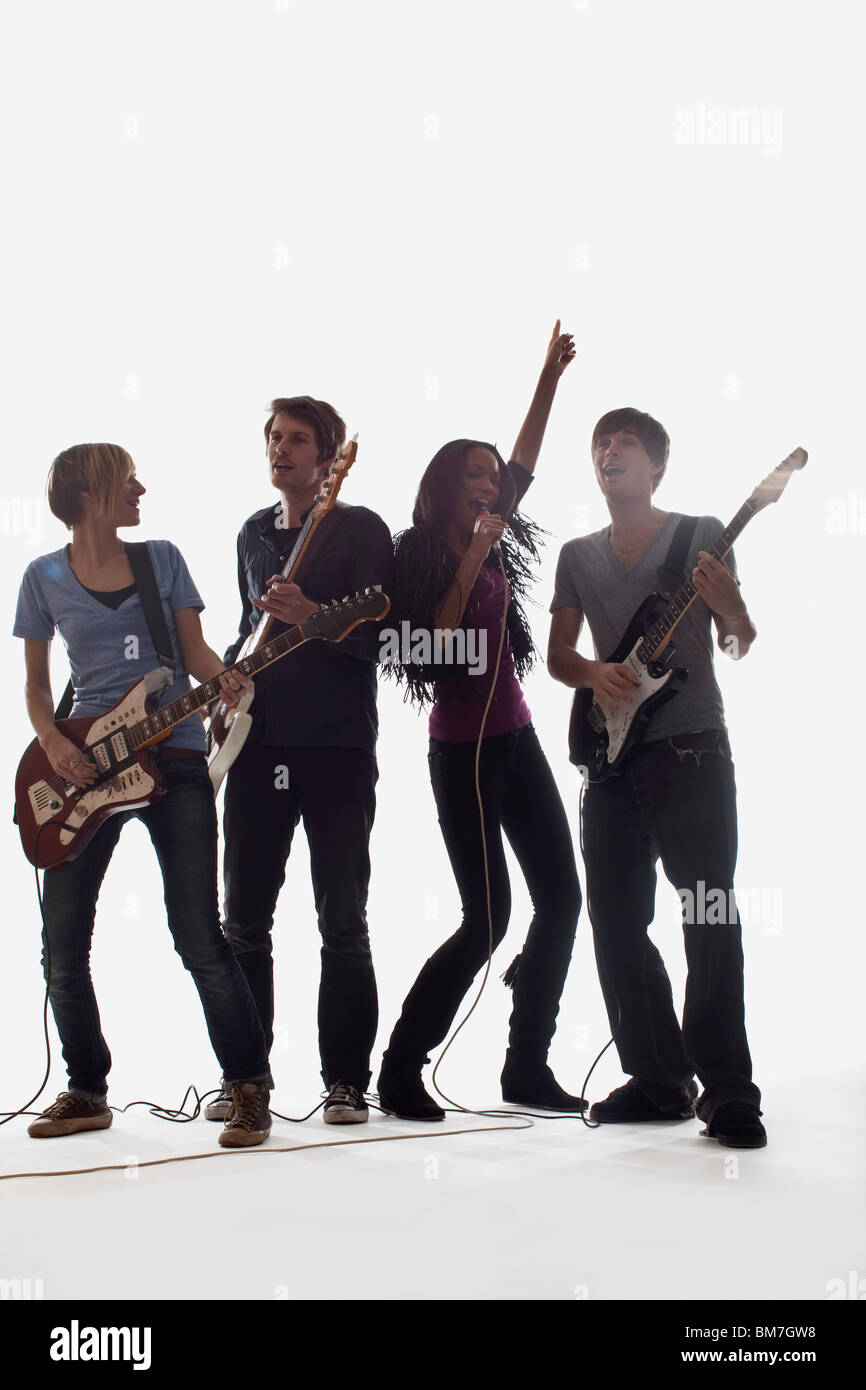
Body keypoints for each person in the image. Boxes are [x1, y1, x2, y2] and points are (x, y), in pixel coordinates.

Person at [14, 443, 273, 1148]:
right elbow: (37, 687)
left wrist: (227, 677)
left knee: (197, 932)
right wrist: (56, 744)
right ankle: (86, 1089)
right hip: (80, 771)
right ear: (92, 494)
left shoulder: (161, 559)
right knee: (61, 943)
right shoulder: (40, 577)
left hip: (175, 755)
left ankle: (249, 1086)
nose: (140, 488)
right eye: (127, 479)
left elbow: (191, 653)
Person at [376, 323, 584, 1121]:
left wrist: (547, 376)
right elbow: (431, 642)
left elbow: (525, 457)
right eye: (474, 475)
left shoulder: (498, 523)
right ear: (442, 485)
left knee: (561, 899)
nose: (490, 486)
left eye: (492, 479)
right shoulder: (419, 549)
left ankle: (525, 1065)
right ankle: (400, 1068)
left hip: (518, 738)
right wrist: (471, 556)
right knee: (487, 918)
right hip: (460, 752)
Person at [547, 407, 766, 1148]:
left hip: (691, 748)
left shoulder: (702, 533)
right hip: (610, 757)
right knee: (614, 921)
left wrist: (728, 604)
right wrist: (596, 672)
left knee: (706, 909)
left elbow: (739, 639)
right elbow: (558, 659)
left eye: (627, 444)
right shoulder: (577, 554)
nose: (611, 452)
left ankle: (730, 1090)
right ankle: (659, 1078)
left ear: (657, 466)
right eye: (601, 444)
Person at [205, 396, 393, 1125]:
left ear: (328, 456)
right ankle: (245, 1077)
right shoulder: (253, 533)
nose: (281, 449)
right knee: (243, 920)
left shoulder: (361, 529)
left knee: (342, 918)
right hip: (255, 746)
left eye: (298, 439)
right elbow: (249, 629)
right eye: (274, 438)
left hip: (338, 746)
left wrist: (309, 613)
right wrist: (226, 674)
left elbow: (374, 634)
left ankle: (347, 1080)